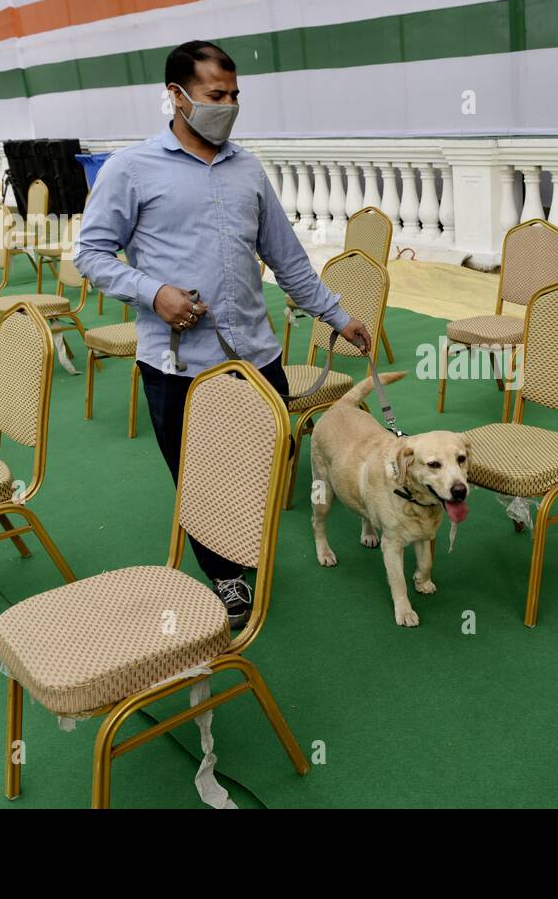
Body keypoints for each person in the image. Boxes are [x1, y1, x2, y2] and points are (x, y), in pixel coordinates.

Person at [76, 39, 372, 628]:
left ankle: (239, 549)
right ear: (177, 96)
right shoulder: (131, 168)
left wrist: (337, 314)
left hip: (255, 357)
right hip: (179, 365)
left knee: (267, 464)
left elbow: (286, 260)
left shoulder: (248, 168)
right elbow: (92, 254)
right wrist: (152, 292)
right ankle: (226, 578)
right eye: (216, 95)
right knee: (200, 479)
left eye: (234, 95)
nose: (228, 105)